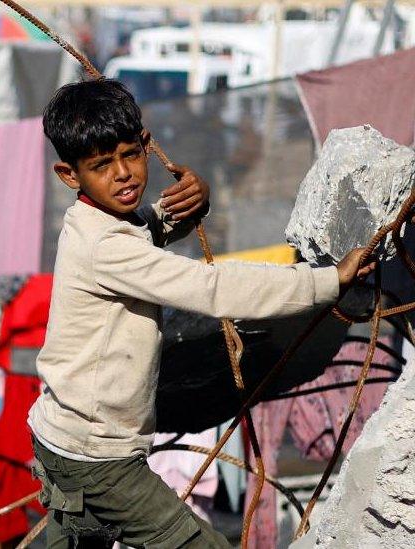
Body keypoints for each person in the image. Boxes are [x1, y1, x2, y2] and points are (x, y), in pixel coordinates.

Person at [28, 79, 375, 548]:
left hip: (63, 439)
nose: (124, 174)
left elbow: (144, 231)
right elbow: (212, 287)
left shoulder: (105, 225)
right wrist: (326, 281)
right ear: (69, 176)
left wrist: (188, 206)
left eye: (131, 155)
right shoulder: (103, 245)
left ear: (147, 146)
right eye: (101, 166)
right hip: (96, 457)